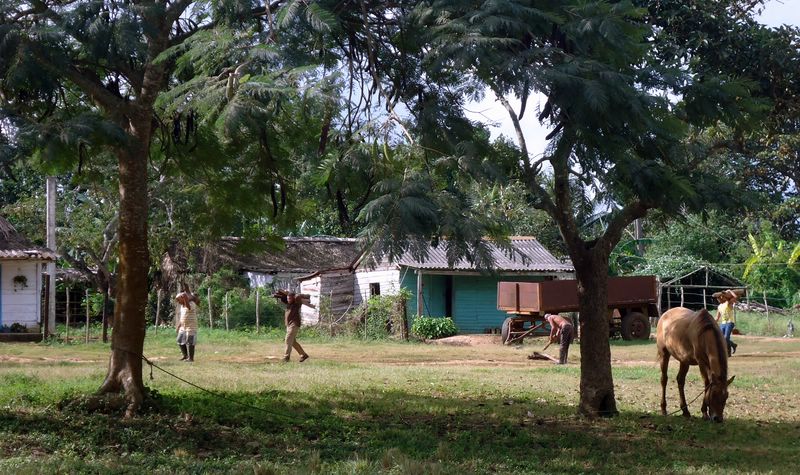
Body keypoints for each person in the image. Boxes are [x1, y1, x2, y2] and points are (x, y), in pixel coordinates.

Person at [273, 289, 315, 362]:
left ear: (293, 298)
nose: (288, 299)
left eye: (290, 298)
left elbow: (297, 296)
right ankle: (303, 355)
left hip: (294, 324)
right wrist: (284, 294)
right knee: (292, 342)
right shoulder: (288, 303)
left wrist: (287, 292)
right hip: (289, 325)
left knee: (288, 339)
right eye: (287, 298)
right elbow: (283, 298)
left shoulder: (297, 303)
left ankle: (286, 357)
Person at [176, 290, 200, 362]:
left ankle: (191, 358)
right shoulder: (182, 306)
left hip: (191, 326)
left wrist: (185, 297)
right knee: (179, 340)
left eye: (178, 300)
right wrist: (178, 326)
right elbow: (182, 317)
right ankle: (185, 355)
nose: (178, 302)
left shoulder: (191, 304)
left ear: (183, 298)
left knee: (190, 342)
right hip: (183, 326)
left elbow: (189, 308)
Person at [715, 289, 738, 356]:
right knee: (721, 338)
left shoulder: (728, 303)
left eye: (719, 298)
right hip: (723, 323)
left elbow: (735, 297)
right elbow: (717, 317)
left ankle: (728, 351)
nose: (718, 299)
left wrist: (730, 291)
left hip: (730, 322)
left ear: (722, 297)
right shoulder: (719, 306)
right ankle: (733, 345)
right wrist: (713, 322)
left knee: (726, 338)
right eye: (717, 298)